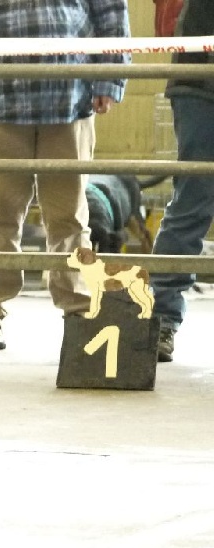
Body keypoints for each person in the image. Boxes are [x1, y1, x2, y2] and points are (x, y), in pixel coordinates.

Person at [0, 0, 130, 350]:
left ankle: (79, 311)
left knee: (69, 215)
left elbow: (111, 13)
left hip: (70, 99)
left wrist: (110, 79)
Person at [150, 0, 214, 363]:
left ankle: (162, 315)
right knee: (192, 199)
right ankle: (161, 318)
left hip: (194, 81)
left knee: (190, 201)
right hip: (197, 82)